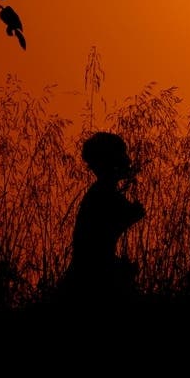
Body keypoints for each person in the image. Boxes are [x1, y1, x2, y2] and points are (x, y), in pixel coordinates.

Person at [57, 131, 146, 309]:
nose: (128, 161)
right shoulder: (103, 193)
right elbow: (100, 240)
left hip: (89, 273)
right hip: (93, 278)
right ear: (110, 161)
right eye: (122, 155)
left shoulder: (101, 191)